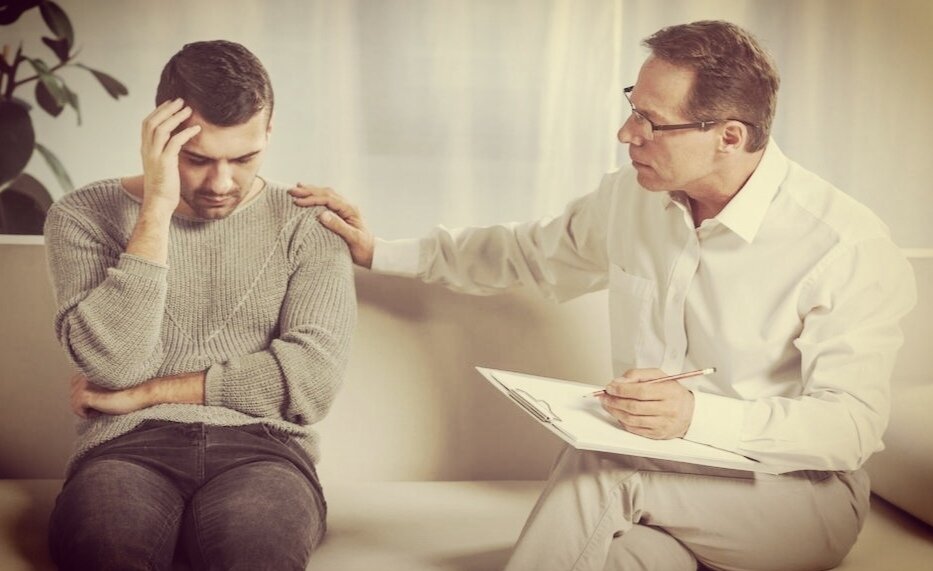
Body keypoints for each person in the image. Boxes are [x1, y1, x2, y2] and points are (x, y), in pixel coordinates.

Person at [289, 20, 917, 571]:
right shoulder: (632, 198)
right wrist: (381, 252)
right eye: (631, 107)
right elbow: (526, 253)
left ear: (729, 137)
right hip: (670, 489)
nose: (625, 133)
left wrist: (696, 417)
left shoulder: (844, 245)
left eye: (651, 122)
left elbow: (850, 427)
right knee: (615, 557)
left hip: (795, 501)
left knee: (602, 465)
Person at [44, 40, 356, 570]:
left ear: (269, 132)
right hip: (125, 448)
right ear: (160, 139)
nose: (220, 183)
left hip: (265, 450)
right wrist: (157, 207)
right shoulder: (82, 216)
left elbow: (312, 382)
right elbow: (112, 364)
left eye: (244, 158)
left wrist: (148, 392)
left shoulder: (310, 222)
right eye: (197, 159)